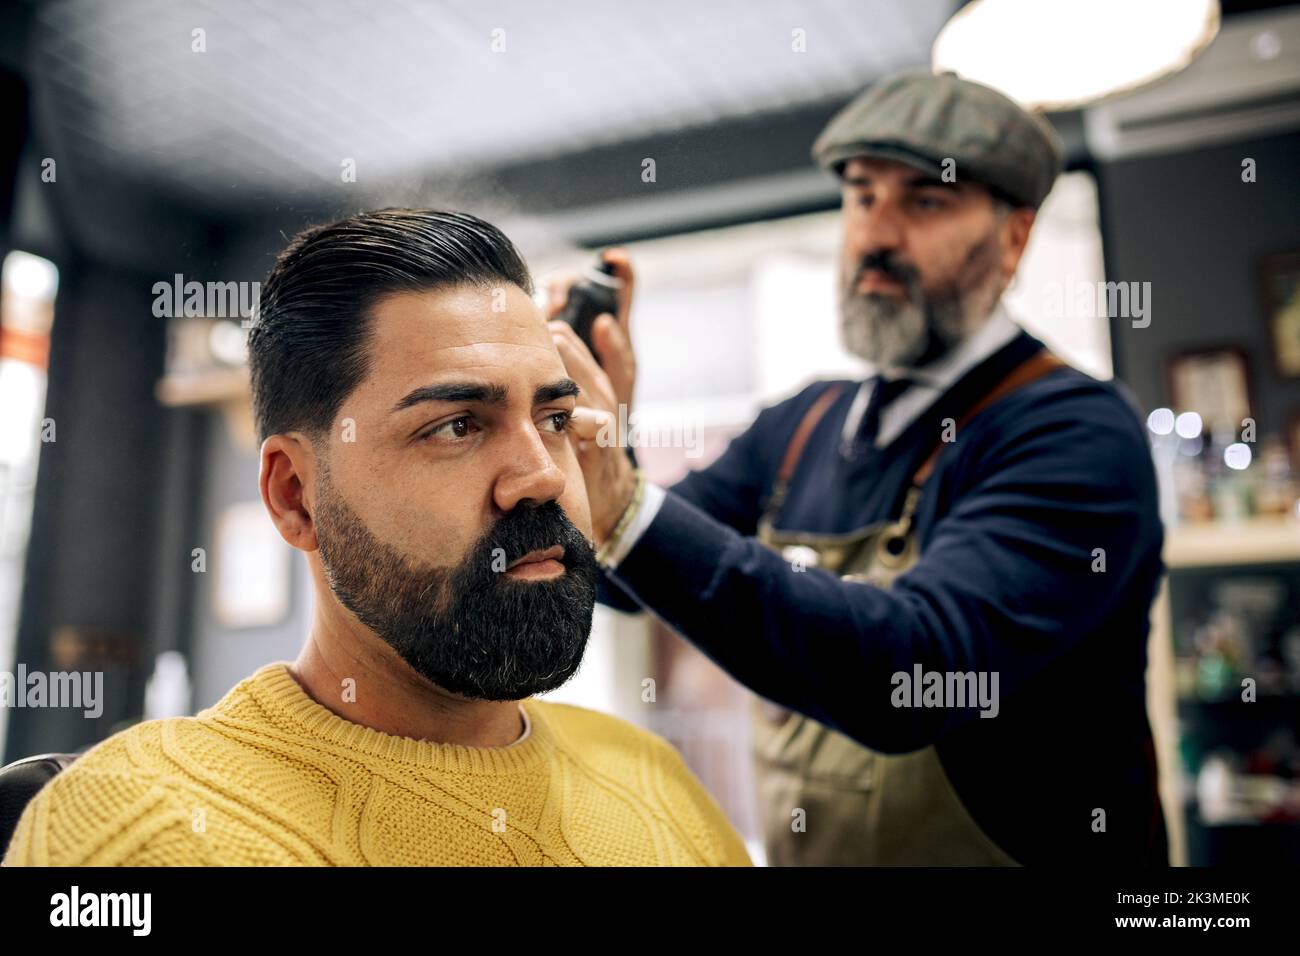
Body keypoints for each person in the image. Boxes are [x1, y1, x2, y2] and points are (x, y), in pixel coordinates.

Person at [3, 209, 751, 867]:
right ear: (296, 496)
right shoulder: (144, 836)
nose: (542, 477)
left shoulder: (653, 776)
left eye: (556, 420)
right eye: (457, 426)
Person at [552, 70, 1168, 866]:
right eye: (862, 196)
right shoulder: (804, 425)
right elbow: (619, 574)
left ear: (1013, 239)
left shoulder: (1073, 433)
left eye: (925, 201)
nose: (876, 235)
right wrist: (605, 432)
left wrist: (626, 506)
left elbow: (912, 673)